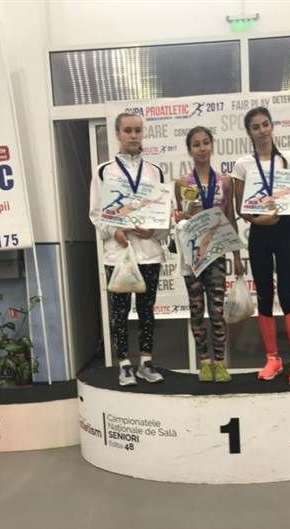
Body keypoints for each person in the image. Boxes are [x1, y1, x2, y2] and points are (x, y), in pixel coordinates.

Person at [232, 107, 290, 386]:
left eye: (265, 124)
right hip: (259, 234)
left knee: (287, 294)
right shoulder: (243, 165)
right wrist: (260, 219)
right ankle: (272, 358)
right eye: (256, 127)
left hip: (285, 232)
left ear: (272, 126)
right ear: (249, 132)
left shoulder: (289, 159)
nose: (262, 131)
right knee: (264, 295)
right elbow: (241, 209)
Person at [89, 112, 168, 387]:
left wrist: (153, 232)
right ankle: (124, 365)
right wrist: (114, 231)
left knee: (147, 311)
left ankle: (146, 362)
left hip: (148, 252)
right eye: (128, 130)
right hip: (118, 253)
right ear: (117, 134)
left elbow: (162, 213)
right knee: (119, 312)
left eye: (138, 130)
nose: (134, 135)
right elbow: (96, 213)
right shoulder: (104, 171)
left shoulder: (155, 171)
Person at [174, 126, 244, 382]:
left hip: (216, 255)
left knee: (216, 311)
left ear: (212, 145)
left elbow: (230, 218)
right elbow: (180, 218)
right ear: (189, 149)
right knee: (196, 310)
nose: (202, 148)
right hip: (192, 256)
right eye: (196, 144)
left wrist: (237, 256)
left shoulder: (224, 181)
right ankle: (204, 362)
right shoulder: (182, 183)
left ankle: (221, 363)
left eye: (205, 143)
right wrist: (180, 216)